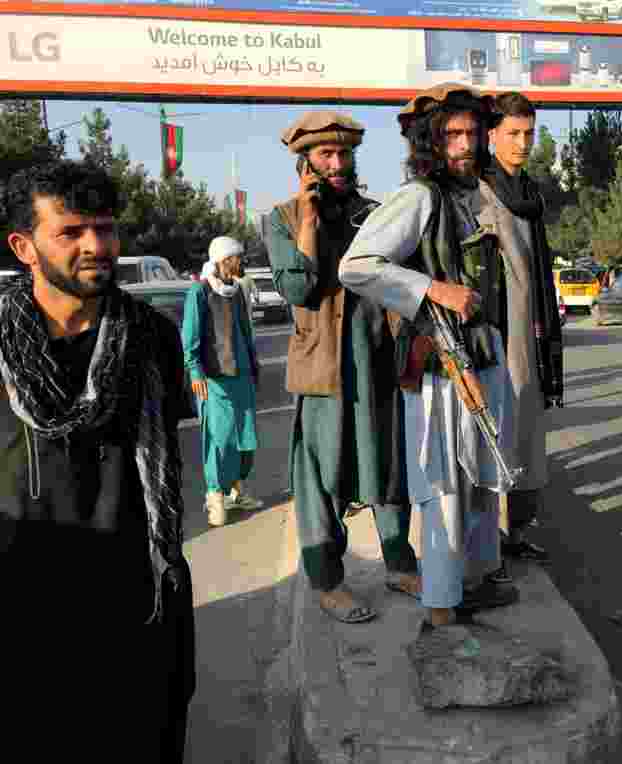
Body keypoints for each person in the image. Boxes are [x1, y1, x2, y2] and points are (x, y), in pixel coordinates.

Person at [0, 159, 194, 760]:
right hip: (20, 619)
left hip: (136, 610)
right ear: (23, 246)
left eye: (106, 229)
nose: (97, 247)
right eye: (72, 232)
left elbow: (162, 457)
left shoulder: (152, 337)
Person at [339, 83, 521, 629]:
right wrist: (432, 289)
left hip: (483, 358)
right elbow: (358, 265)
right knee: (442, 486)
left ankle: (469, 583)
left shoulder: (479, 194)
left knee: (481, 481)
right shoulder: (420, 195)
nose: (463, 144)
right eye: (451, 135)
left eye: (470, 133)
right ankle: (440, 608)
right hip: (441, 366)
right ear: (431, 142)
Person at [265, 111, 419, 624]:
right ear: (303, 165)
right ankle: (328, 580)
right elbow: (297, 290)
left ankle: (400, 563)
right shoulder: (282, 219)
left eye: (344, 155)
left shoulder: (374, 214)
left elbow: (401, 283)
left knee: (388, 466)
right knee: (322, 475)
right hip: (322, 368)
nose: (336, 163)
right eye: (325, 155)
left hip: (376, 359)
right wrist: (309, 223)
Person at [482, 91, 563, 571]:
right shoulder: (480, 190)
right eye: (513, 133)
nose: (522, 142)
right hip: (498, 330)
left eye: (528, 133)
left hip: (531, 330)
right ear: (492, 135)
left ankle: (515, 533)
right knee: (500, 434)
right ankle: (489, 541)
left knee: (529, 434)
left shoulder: (529, 192)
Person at [182, 236, 263, 527]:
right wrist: (195, 371)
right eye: (237, 257)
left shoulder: (237, 291)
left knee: (245, 438)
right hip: (214, 379)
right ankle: (215, 496)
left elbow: (246, 331)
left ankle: (236, 492)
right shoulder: (199, 292)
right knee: (219, 439)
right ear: (223, 260)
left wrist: (253, 366)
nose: (241, 262)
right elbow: (190, 337)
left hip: (241, 376)